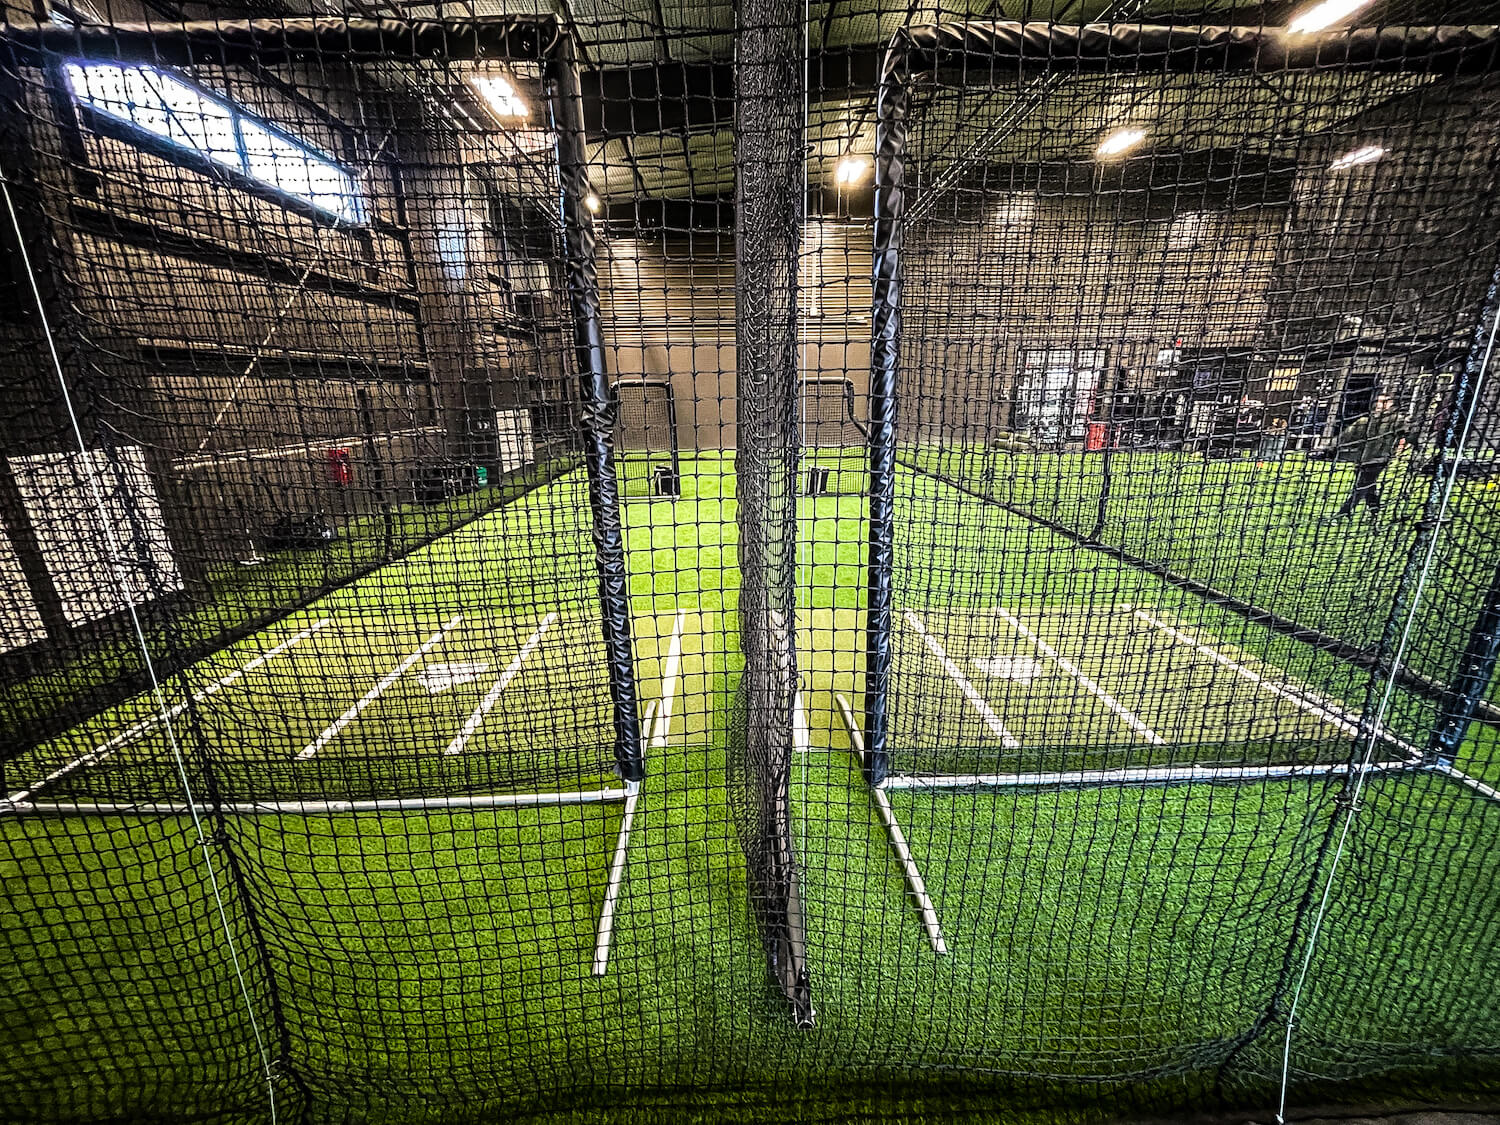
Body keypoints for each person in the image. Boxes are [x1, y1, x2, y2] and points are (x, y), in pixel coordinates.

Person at [1324, 393, 1404, 521]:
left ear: (1391, 404)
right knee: (1369, 488)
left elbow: (1407, 435)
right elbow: (1346, 435)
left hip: (1380, 460)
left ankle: (1343, 513)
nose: (1379, 404)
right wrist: (1329, 447)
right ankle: (1375, 513)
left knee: (1361, 487)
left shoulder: (1397, 420)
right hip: (1363, 460)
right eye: (1378, 400)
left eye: (1383, 401)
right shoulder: (1366, 421)